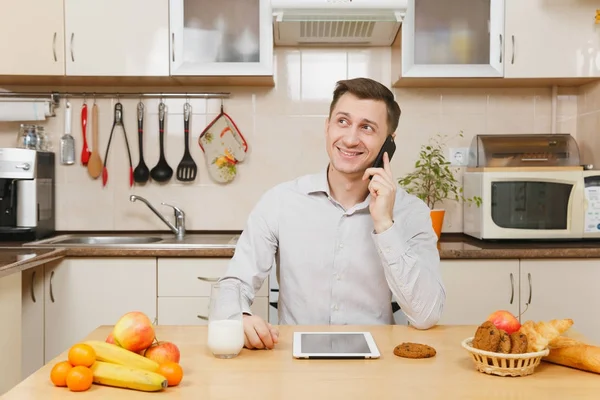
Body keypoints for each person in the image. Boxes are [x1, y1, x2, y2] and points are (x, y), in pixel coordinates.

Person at [219, 77, 446, 350]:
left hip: (379, 368)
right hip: (292, 363)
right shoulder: (280, 201)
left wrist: (385, 224)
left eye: (367, 127)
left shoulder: (411, 212)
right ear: (327, 127)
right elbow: (235, 282)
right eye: (342, 122)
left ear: (389, 142)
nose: (350, 139)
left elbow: (426, 315)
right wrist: (238, 316)